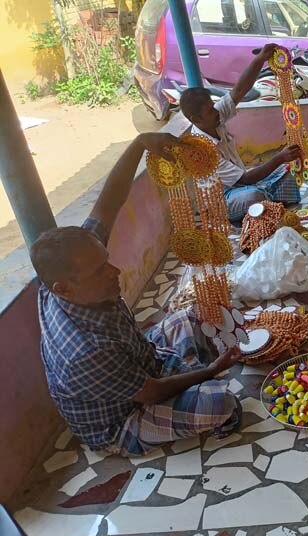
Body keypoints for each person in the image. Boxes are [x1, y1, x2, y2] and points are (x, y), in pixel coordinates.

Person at [31, 132, 244, 456]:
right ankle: (195, 378)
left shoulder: (65, 272)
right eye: (100, 272)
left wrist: (139, 143)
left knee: (193, 315)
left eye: (106, 261)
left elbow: (110, 202)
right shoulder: (85, 351)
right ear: (64, 288)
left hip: (141, 362)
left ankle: (189, 373)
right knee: (221, 403)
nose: (114, 272)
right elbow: (151, 392)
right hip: (121, 420)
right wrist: (211, 370)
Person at [180, 43, 302, 223]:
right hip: (223, 199)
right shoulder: (201, 150)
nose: (215, 111)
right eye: (209, 110)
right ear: (195, 119)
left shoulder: (214, 116)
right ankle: (264, 203)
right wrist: (279, 157)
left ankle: (266, 205)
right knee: (254, 195)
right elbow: (244, 179)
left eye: (212, 105)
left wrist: (260, 59)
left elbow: (238, 91)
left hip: (243, 183)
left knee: (285, 173)